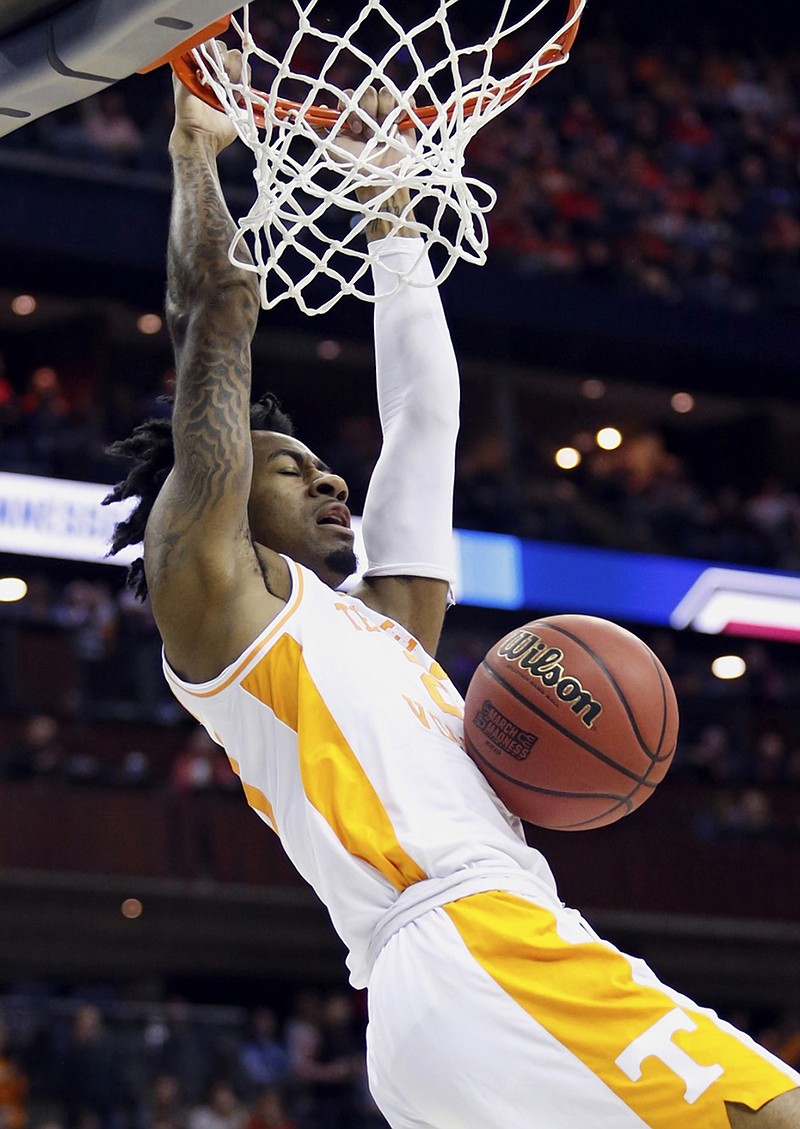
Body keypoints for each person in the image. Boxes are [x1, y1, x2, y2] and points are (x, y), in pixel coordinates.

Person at [104, 47, 800, 1129]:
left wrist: (394, 223)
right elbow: (215, 320)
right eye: (288, 466)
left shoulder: (385, 628)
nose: (328, 474)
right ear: (222, 492)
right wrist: (196, 157)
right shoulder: (221, 606)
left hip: (441, 993)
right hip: (472, 941)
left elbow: (425, 420)